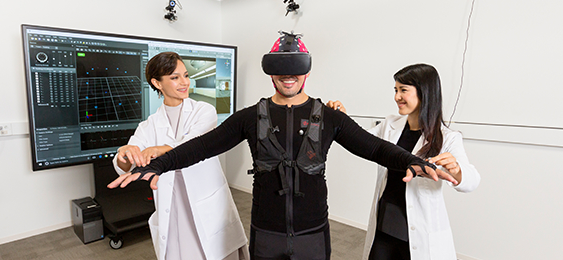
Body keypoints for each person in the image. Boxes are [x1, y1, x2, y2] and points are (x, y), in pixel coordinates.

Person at [109, 32, 458, 260]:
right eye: (281, 68)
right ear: (271, 71)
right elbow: (201, 147)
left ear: (305, 71)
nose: (288, 75)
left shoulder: (329, 117)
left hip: (312, 233)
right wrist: (158, 163)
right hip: (266, 232)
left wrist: (409, 159)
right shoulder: (249, 117)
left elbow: (374, 148)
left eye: (295, 68)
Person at [111, 52, 249, 260]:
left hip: (207, 203)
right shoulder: (149, 125)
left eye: (185, 75)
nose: (185, 82)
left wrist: (159, 150)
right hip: (173, 207)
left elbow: (194, 146)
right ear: (157, 83)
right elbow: (127, 161)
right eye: (175, 78)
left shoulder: (204, 111)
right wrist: (125, 154)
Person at [342, 63, 480, 260]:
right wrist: (340, 118)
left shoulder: (448, 138)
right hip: (385, 224)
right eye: (396, 90)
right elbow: (360, 141)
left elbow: (472, 181)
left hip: (417, 231)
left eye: (403, 90)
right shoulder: (390, 125)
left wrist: (457, 170)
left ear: (424, 92)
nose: (397, 97)